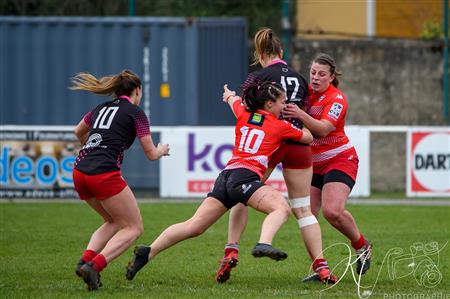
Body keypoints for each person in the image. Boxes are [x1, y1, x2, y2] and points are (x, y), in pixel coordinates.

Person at [125, 81, 314, 281]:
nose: (285, 107)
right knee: (281, 209)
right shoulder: (281, 126)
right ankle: (264, 243)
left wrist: (228, 94)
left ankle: (149, 251)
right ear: (268, 104)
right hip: (245, 176)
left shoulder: (243, 112)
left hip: (226, 176)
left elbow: (232, 100)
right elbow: (309, 138)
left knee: (194, 225)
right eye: (282, 102)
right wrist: (300, 116)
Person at [215, 27, 337, 284]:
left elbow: (249, 116)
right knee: (303, 209)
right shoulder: (300, 79)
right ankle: (322, 267)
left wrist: (231, 100)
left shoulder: (257, 77)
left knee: (241, 195)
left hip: (269, 143)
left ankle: (231, 250)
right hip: (297, 143)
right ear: (282, 53)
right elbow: (302, 115)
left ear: (260, 54)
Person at [70, 69, 170, 291]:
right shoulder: (136, 113)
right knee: (134, 227)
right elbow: (151, 154)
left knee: (113, 221)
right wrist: (162, 150)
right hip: (103, 173)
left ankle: (83, 262)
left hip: (80, 170)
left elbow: (78, 131)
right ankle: (94, 267)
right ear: (137, 90)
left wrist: (93, 147)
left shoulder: (100, 108)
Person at [282, 53, 372, 276]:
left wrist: (300, 114)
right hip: (313, 165)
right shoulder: (305, 93)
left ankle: (362, 246)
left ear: (331, 77)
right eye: (313, 72)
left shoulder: (337, 99)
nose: (315, 77)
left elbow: (322, 129)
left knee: (333, 211)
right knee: (306, 214)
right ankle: (319, 267)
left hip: (340, 159)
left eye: (322, 74)